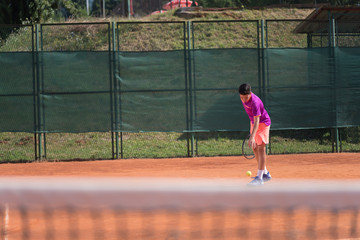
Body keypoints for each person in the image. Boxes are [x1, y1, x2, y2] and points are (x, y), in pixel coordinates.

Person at [239, 83, 271, 186]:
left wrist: (252, 136)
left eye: (246, 97)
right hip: (253, 123)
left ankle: (259, 178)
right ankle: (265, 174)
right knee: (255, 148)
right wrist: (252, 132)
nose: (243, 100)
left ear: (250, 93)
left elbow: (257, 121)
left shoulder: (255, 102)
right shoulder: (243, 97)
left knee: (261, 149)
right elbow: (253, 120)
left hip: (263, 123)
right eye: (242, 97)